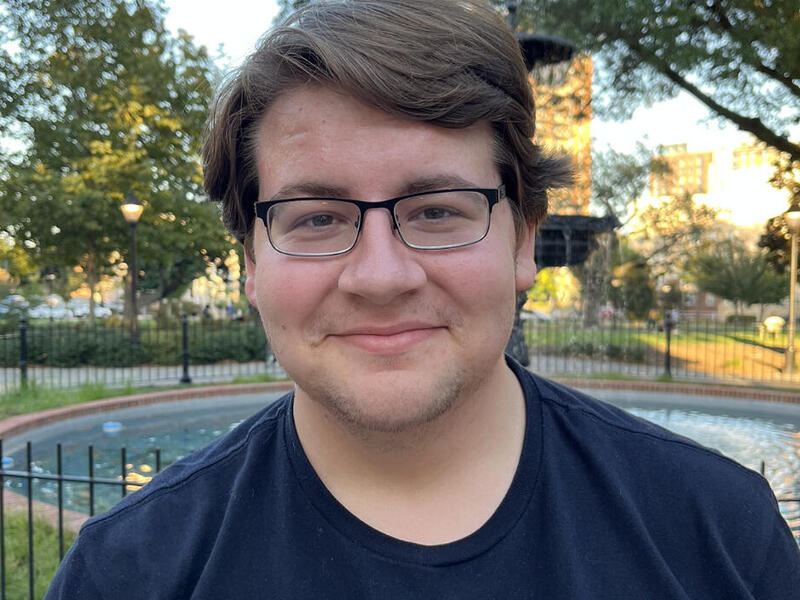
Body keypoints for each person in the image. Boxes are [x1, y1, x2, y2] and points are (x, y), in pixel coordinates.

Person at [47, 1, 800, 598]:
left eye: (438, 210)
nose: (381, 276)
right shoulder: (129, 572)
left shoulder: (719, 533)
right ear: (250, 261)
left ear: (522, 241)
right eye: (315, 219)